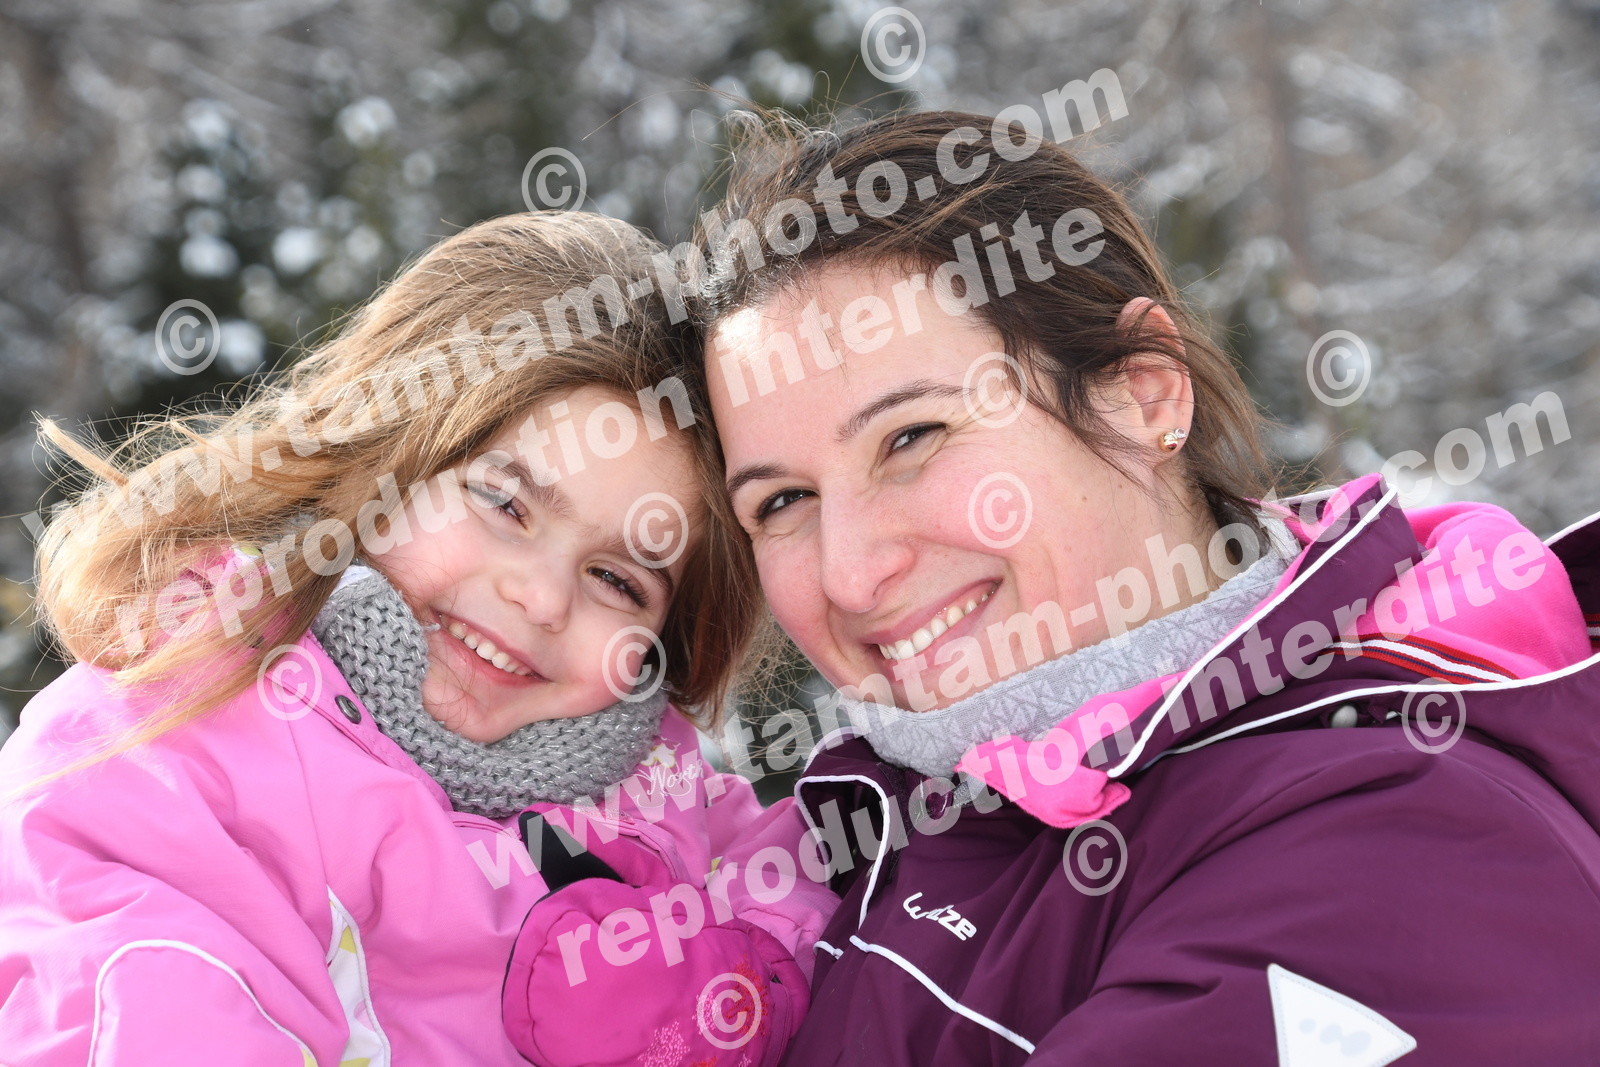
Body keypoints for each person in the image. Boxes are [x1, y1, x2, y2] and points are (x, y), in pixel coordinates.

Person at [685, 109, 1600, 1065]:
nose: (849, 572)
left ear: (1144, 390)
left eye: (912, 437)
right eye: (782, 501)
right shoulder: (855, 838)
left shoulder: (1391, 837)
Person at [0, 211, 834, 1066]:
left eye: (618, 580)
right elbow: (144, 997)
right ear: (381, 457)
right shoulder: (176, 742)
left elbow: (827, 919)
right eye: (504, 502)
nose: (542, 596)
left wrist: (737, 994)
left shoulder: (667, 817)